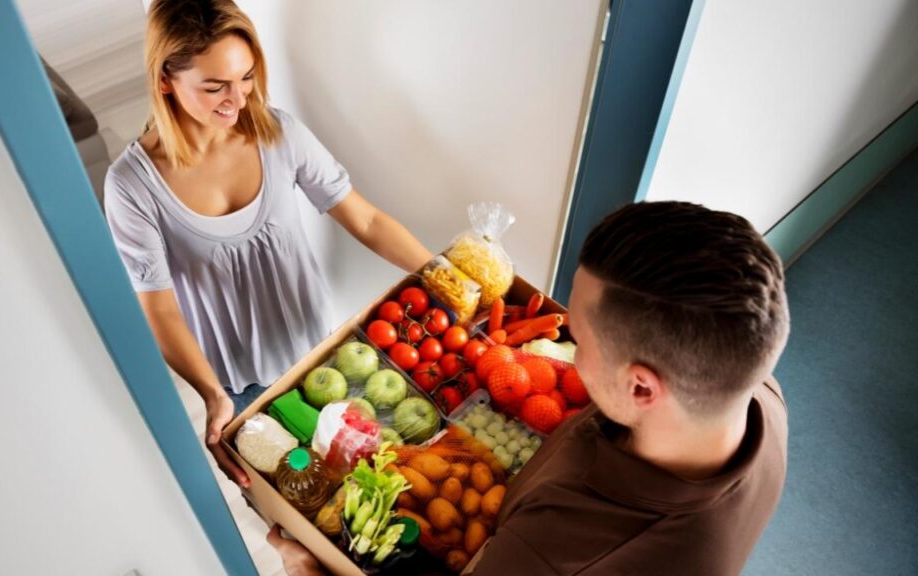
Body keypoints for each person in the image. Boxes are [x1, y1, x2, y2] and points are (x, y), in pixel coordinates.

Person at [265, 201, 791, 575]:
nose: (567, 346)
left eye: (579, 340)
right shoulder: (759, 391)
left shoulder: (556, 550)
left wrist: (310, 570)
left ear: (641, 388)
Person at [103, 0, 431, 483]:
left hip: (326, 354)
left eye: (246, 77)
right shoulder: (131, 185)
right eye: (214, 87)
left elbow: (366, 221)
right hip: (237, 385)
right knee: (305, 496)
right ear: (166, 80)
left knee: (379, 484)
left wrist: (441, 272)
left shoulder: (279, 133)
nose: (237, 100)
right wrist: (212, 394)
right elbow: (161, 311)